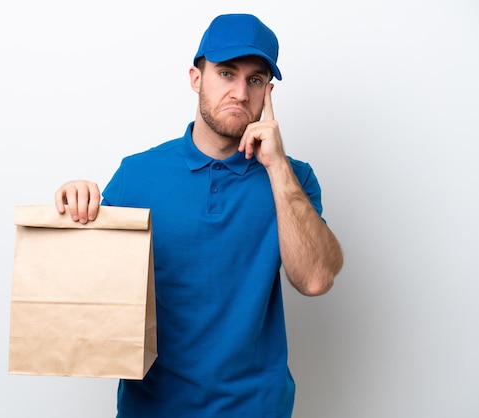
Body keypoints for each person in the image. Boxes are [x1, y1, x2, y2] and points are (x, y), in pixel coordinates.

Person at [55, 13, 343, 418]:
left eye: (255, 80)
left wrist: (277, 168)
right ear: (196, 77)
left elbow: (315, 279)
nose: (240, 93)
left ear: (268, 92)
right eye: (226, 73)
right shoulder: (138, 174)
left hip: (255, 408)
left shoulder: (294, 179)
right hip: (152, 408)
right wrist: (75, 204)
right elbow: (83, 289)